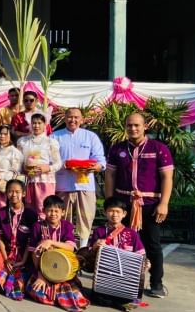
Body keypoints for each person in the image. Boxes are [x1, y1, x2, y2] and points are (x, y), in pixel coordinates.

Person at [104, 112, 173, 299]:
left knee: (152, 244)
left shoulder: (159, 148)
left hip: (150, 204)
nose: (133, 128)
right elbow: (110, 175)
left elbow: (167, 177)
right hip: (123, 204)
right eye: (129, 125)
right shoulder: (117, 149)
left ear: (145, 127)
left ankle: (156, 283)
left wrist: (164, 203)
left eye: (136, 125)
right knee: (120, 243)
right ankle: (122, 281)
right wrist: (110, 202)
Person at [52, 108, 106, 247]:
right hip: (63, 184)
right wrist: (64, 164)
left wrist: (97, 166)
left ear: (82, 119)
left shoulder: (90, 136)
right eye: (70, 117)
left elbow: (100, 159)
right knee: (63, 217)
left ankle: (83, 247)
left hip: (85, 184)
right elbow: (50, 160)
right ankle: (65, 246)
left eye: (76, 117)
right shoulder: (55, 137)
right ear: (65, 119)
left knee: (86, 216)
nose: (73, 120)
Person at [26, 195, 89, 312]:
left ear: (63, 212)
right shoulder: (37, 226)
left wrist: (50, 242)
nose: (53, 214)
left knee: (77, 297)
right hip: (43, 270)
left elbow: (71, 248)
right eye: (50, 210)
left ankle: (58, 295)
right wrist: (41, 275)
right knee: (38, 293)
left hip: (64, 272)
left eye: (56, 211)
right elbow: (34, 253)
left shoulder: (67, 226)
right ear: (44, 211)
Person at [86, 197, 147, 310]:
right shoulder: (99, 231)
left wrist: (146, 263)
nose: (114, 214)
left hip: (125, 278)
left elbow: (141, 255)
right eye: (111, 211)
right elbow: (89, 255)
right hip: (104, 277)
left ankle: (119, 302)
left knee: (125, 297)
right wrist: (95, 246)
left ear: (124, 214)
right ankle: (118, 304)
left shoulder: (132, 233)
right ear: (105, 212)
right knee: (99, 298)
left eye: (118, 211)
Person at [0, 179, 37, 300]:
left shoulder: (31, 214)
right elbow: (0, 238)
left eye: (17, 192)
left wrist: (23, 261)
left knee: (22, 283)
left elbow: (31, 240)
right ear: (6, 193)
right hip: (6, 255)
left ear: (23, 193)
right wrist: (5, 259)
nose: (13, 195)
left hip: (25, 257)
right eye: (10, 191)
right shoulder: (1, 213)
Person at [17, 113, 63, 219]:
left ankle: (45, 229)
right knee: (29, 210)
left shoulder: (50, 142)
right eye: (34, 123)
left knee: (44, 209)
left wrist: (47, 168)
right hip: (29, 181)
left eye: (39, 123)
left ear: (45, 124)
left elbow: (58, 163)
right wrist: (24, 168)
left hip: (45, 180)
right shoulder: (23, 141)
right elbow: (18, 162)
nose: (36, 126)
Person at [0, 125, 23, 217]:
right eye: (0, 134)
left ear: (11, 135)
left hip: (5, 187)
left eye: (5, 134)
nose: (2, 136)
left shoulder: (15, 152)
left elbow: (15, 172)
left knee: (5, 213)